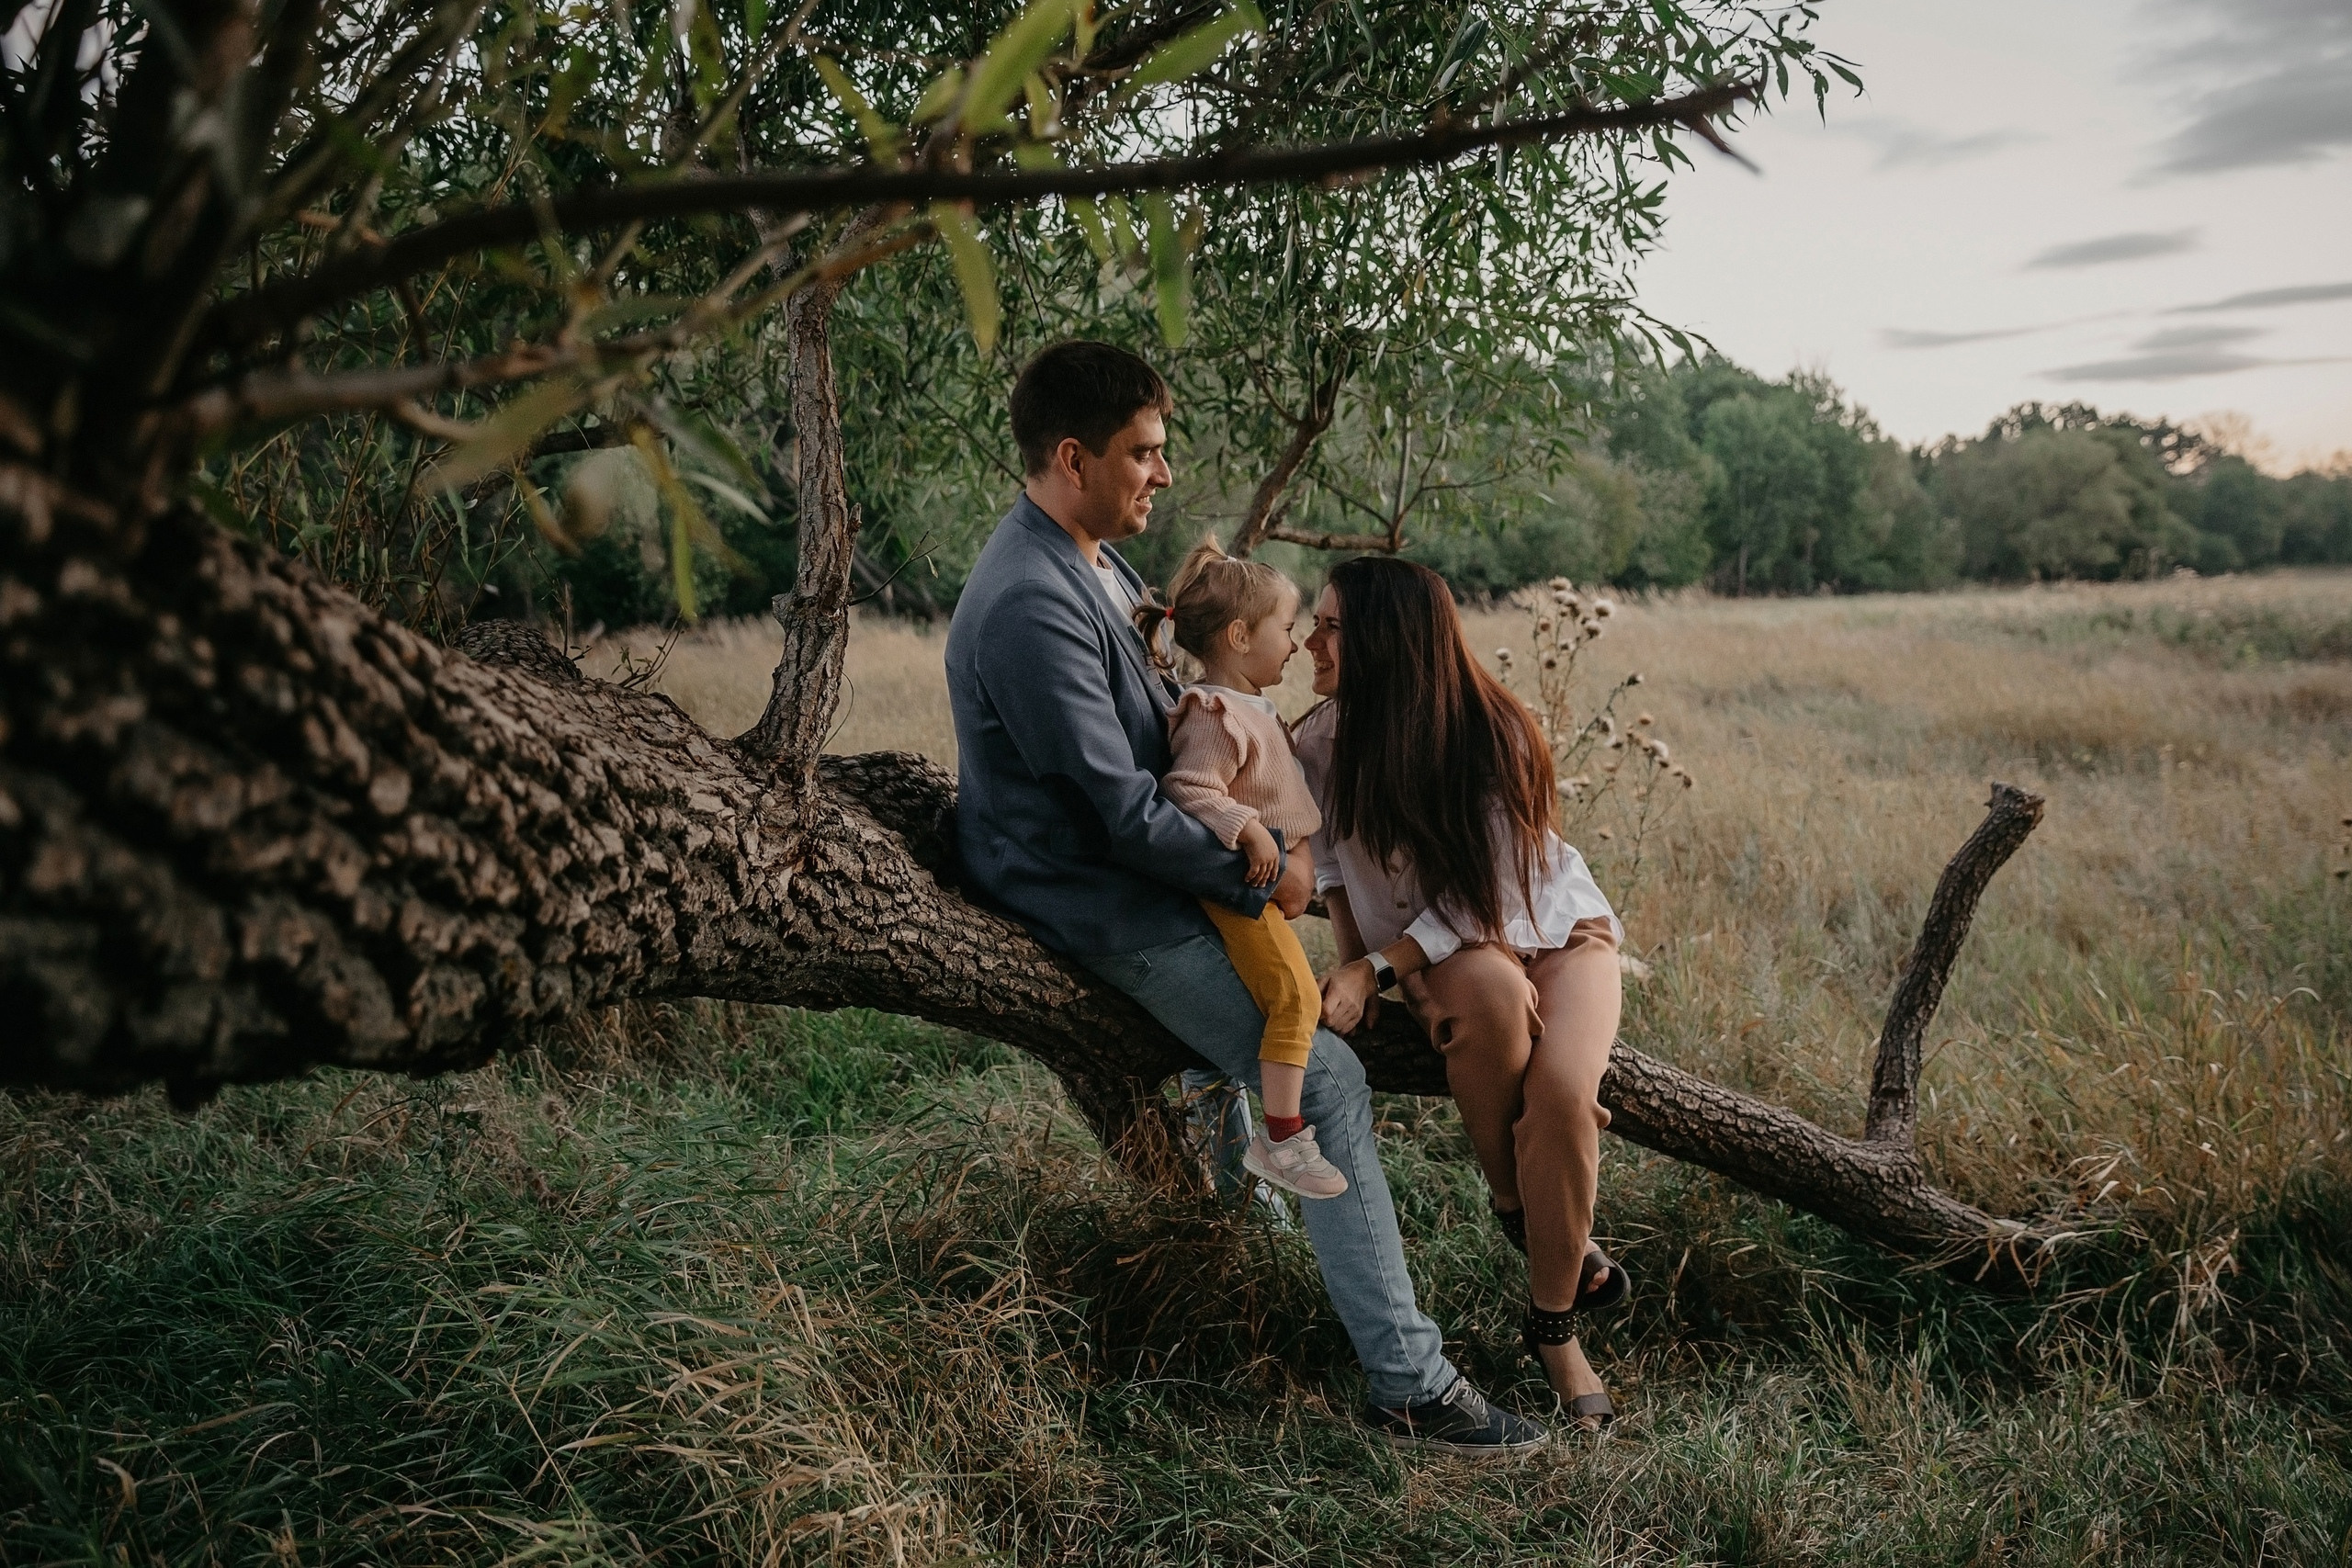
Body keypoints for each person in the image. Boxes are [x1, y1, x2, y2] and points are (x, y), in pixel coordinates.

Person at [945, 339, 1546, 1452]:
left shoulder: (1094, 563)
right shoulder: (1031, 599)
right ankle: (1410, 1385)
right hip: (1099, 900)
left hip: (1155, 872)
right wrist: (1271, 876)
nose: (1162, 473)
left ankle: (1253, 1256)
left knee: (1274, 1042)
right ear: (1072, 458)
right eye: (1143, 452)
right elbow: (1119, 815)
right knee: (1328, 1081)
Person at [1295, 555, 1628, 1432]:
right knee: (1486, 990)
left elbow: (1490, 902)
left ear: (1387, 640)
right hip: (1451, 962)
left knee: (1564, 1092)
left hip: (1558, 936)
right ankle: (1524, 1210)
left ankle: (1554, 1327)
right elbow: (1332, 870)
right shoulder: (1317, 742)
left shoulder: (1494, 732)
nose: (1309, 642)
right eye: (1314, 624)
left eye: (1330, 626)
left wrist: (1376, 967)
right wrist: (1355, 966)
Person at [1135, 536, 1345, 1200]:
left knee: (1283, 993)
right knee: (1295, 997)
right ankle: (1281, 1139)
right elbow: (1188, 788)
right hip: (1237, 893)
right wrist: (1248, 829)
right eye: (1286, 628)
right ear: (1239, 635)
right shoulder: (1215, 713)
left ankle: (1251, 1124)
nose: (1296, 643)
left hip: (1262, 887)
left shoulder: (1253, 706)